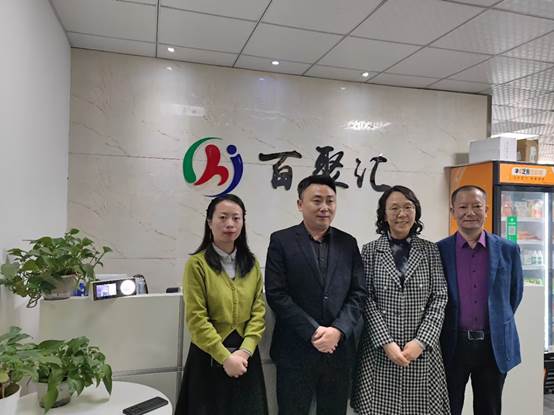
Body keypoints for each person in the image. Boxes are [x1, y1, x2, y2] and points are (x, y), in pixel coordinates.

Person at [265, 175, 366, 415]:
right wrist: (314, 331)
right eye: (317, 200)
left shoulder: (348, 243)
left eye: (330, 201)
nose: (324, 207)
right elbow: (277, 294)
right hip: (295, 350)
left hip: (338, 352)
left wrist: (338, 330)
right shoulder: (281, 241)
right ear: (300, 204)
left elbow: (358, 293)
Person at [351, 185, 450, 415]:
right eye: (394, 208)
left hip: (422, 353)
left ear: (416, 212)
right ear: (384, 215)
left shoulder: (430, 251)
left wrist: (421, 341)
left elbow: (439, 297)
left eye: (408, 207)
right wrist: (386, 342)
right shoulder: (370, 251)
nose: (401, 214)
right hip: (380, 352)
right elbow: (366, 299)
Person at [175, 194, 268, 415]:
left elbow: (258, 312)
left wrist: (244, 351)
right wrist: (225, 358)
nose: (230, 224)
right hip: (208, 355)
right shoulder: (197, 264)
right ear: (209, 222)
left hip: (246, 357)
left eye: (236, 218)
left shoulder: (251, 263)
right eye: (223, 217)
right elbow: (197, 319)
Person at [437, 185, 523, 415]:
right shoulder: (439, 250)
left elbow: (514, 294)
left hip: (493, 345)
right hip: (452, 344)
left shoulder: (508, 250)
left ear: (486, 210)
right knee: (448, 408)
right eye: (463, 207)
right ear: (453, 211)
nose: (470, 212)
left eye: (476, 206)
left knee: (489, 408)